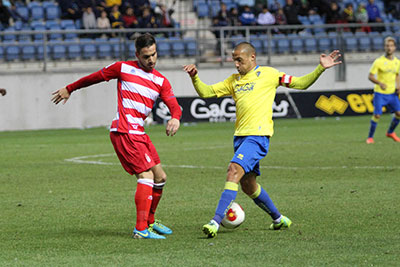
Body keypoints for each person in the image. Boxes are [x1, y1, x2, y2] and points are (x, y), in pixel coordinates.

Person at [183, 43, 341, 238]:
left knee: (233, 170)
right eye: (234, 60)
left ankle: (215, 221)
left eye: (239, 60)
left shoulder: (269, 74)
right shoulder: (234, 81)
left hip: (258, 136)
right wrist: (195, 77)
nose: (236, 64)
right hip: (240, 138)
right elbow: (205, 92)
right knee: (248, 185)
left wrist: (320, 69)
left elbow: (300, 83)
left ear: (252, 58)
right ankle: (278, 218)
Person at [52, 33, 182, 239]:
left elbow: (174, 106)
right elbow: (93, 78)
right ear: (137, 54)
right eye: (146, 56)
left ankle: (149, 221)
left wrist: (175, 117)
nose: (151, 60)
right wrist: (70, 88)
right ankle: (140, 229)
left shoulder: (161, 81)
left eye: (154, 54)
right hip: (124, 130)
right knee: (146, 176)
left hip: (139, 132)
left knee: (160, 177)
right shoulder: (123, 68)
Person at [366, 36, 400, 144]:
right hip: (380, 93)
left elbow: (397, 75)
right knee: (377, 115)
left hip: (392, 93)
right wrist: (379, 83)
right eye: (387, 46)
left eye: (391, 46)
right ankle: (370, 137)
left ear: (394, 47)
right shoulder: (379, 61)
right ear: (384, 47)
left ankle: (390, 132)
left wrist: (398, 86)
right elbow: (370, 76)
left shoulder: (397, 62)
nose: (389, 48)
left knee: (399, 114)